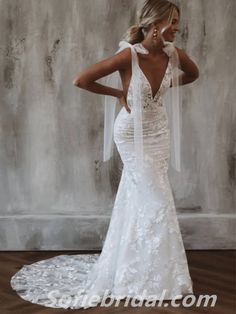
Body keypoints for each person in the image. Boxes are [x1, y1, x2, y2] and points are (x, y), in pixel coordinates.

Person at [10, 0, 199, 310]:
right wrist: (118, 94)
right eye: (174, 21)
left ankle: (138, 271)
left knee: (141, 197)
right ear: (156, 25)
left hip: (157, 134)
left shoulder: (173, 55)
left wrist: (166, 89)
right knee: (157, 199)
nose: (178, 27)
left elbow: (193, 74)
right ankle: (155, 277)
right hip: (129, 133)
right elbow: (81, 80)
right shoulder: (129, 55)